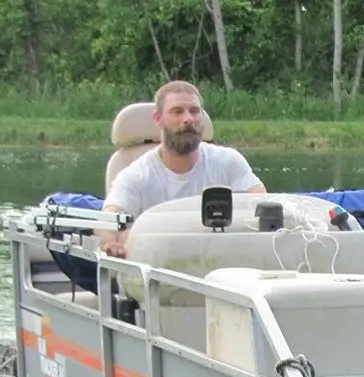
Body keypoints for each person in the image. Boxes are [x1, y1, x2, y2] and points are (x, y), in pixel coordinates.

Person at [99, 80, 267, 257]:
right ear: (158, 119)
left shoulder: (228, 161)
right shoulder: (135, 175)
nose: (188, 119)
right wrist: (111, 243)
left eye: (194, 111)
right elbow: (109, 219)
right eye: (177, 111)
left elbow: (262, 203)